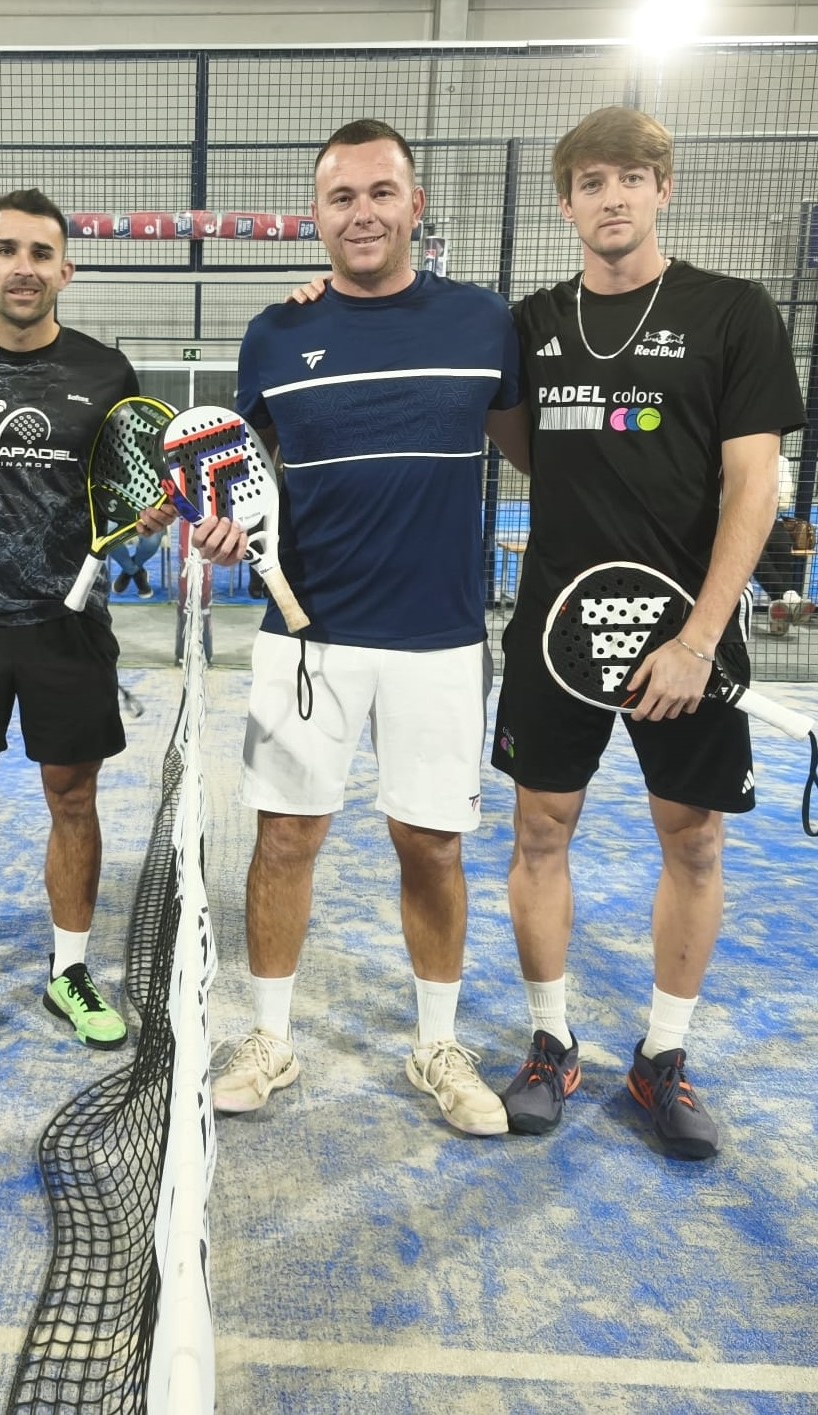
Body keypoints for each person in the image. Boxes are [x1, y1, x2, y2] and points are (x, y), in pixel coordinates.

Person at [487, 107, 805, 1159]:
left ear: (662, 189)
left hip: (688, 634)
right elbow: (528, 449)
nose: (611, 196)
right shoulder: (529, 323)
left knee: (694, 836)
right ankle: (549, 1042)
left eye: (630, 177)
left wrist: (699, 638)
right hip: (556, 631)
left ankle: (662, 1057)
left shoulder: (731, 312)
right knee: (540, 830)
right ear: (565, 201)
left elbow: (752, 483)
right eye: (590, 181)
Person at [206, 119, 527, 1138]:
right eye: (341, 197)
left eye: (381, 192)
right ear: (317, 213)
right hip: (307, 638)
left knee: (430, 845)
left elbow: (531, 455)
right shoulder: (272, 334)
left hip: (439, 641)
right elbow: (239, 485)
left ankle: (436, 1042)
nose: (362, 212)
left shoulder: (483, 325)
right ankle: (268, 1036)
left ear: (414, 206)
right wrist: (223, 530)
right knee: (284, 837)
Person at [0, 189, 174, 1058]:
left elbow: (131, 487)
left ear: (66, 269)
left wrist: (149, 513)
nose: (23, 267)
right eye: (6, 250)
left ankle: (68, 968)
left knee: (74, 797)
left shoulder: (105, 372)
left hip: (68, 625)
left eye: (40, 253)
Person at [753, 453, 815, 636]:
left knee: (783, 546)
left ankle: (781, 607)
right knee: (754, 552)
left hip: (767, 519)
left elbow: (783, 499)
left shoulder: (780, 461)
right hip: (731, 520)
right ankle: (789, 600)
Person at [107, 529, 162, 599]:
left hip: (149, 521)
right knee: (108, 540)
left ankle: (128, 571)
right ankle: (138, 576)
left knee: (151, 542)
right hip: (117, 521)